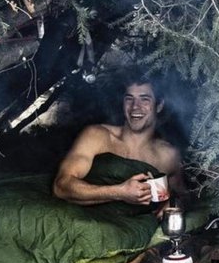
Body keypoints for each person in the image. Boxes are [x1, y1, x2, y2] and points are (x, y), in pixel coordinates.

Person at [52, 75, 185, 210]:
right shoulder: (97, 136)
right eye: (129, 99)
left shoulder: (168, 155)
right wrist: (119, 192)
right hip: (83, 217)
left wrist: (173, 203)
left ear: (159, 105)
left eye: (144, 99)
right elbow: (61, 186)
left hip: (132, 226)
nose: (135, 107)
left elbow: (182, 194)